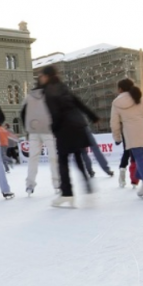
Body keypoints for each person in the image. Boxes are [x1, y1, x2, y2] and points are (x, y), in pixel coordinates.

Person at [39, 65, 98, 207]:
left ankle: (67, 194)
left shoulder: (49, 91)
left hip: (66, 128)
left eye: (42, 75)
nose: (40, 77)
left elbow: (56, 113)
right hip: (78, 125)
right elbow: (77, 102)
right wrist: (92, 116)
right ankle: (87, 186)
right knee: (78, 158)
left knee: (63, 161)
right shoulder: (62, 86)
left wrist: (53, 128)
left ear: (47, 76)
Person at [20, 78, 60, 195]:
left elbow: (22, 113)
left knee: (33, 158)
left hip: (33, 131)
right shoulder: (49, 95)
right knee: (53, 157)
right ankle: (57, 183)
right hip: (47, 130)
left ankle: (30, 184)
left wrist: (28, 128)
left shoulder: (29, 97)